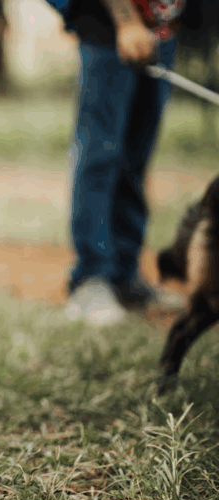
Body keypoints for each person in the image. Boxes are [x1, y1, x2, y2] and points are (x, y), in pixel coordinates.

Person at [46, 0, 199, 326]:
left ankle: (126, 277)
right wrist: (126, 22)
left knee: (136, 156)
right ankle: (91, 279)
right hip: (110, 26)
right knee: (101, 154)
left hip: (161, 27)